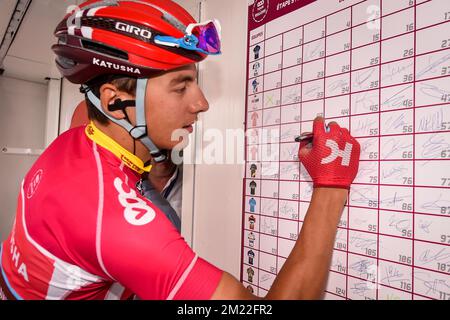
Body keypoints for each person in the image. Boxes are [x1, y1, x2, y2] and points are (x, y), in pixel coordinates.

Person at [0, 0, 360, 300]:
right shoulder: (119, 227)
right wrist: (330, 186)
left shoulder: (78, 136)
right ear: (114, 103)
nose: (201, 103)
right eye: (180, 86)